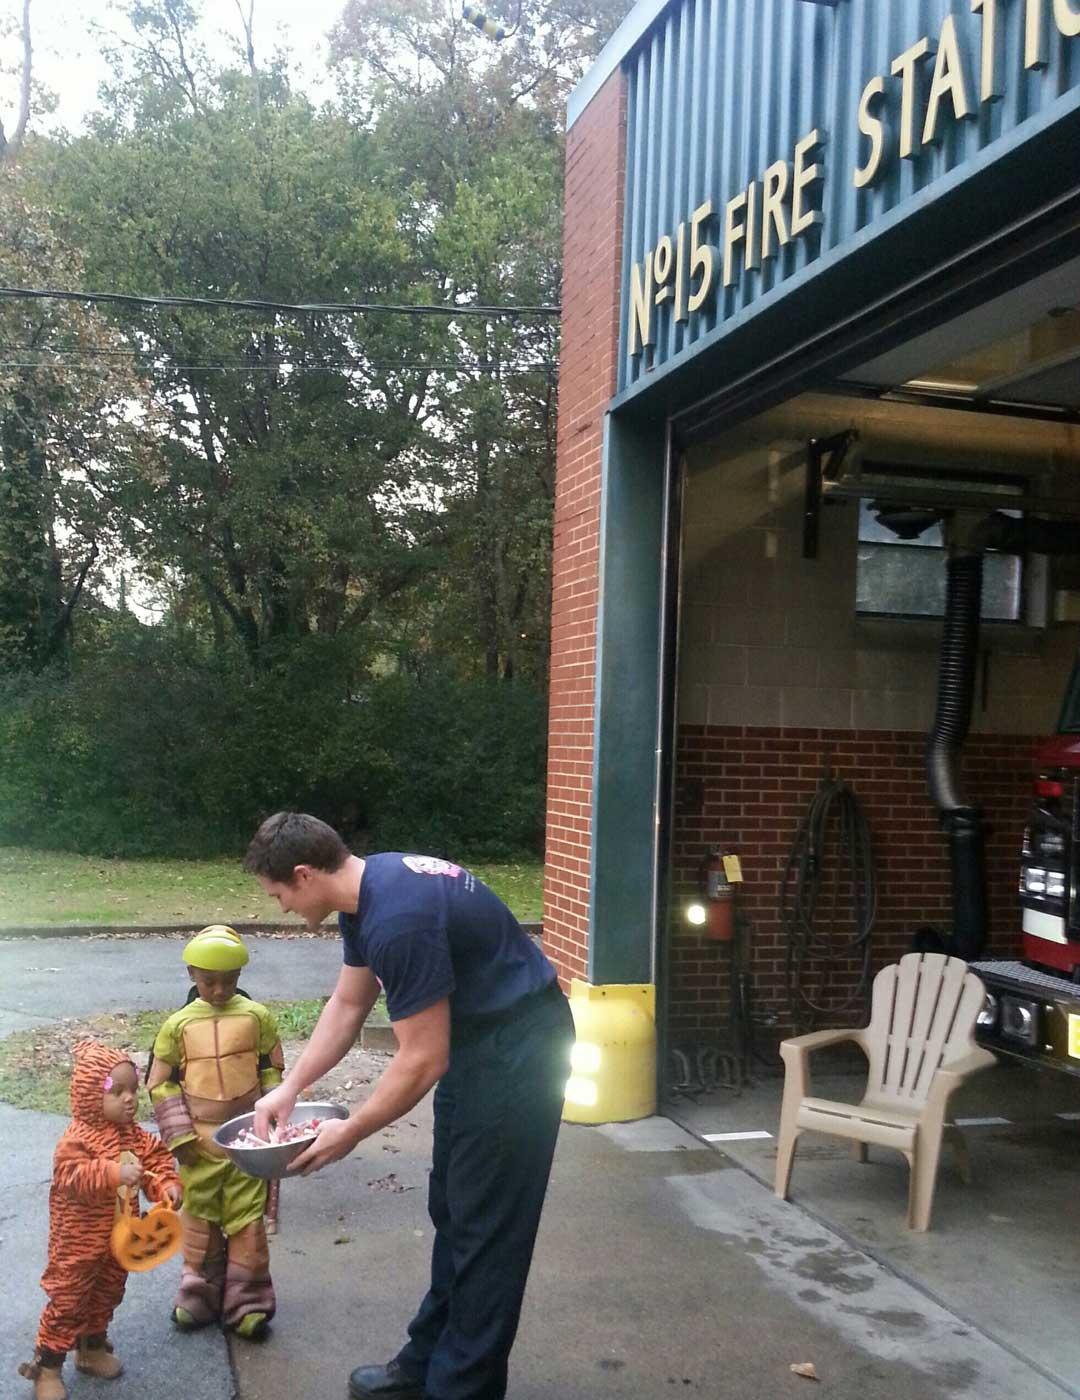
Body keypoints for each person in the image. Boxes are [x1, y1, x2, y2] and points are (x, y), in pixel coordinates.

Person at [243, 812, 574, 1400]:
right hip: (482, 1042)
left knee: (488, 1230)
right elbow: (348, 1005)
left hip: (520, 1050)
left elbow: (422, 1060)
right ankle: (427, 1363)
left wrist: (351, 1130)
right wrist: (289, 1088)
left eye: (278, 896)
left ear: (303, 874)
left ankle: (460, 1387)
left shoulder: (398, 920)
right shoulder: (367, 892)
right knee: (453, 1205)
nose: (281, 909)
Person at [18, 1039, 183, 1400]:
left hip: (120, 1238)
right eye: (117, 1091)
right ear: (92, 1095)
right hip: (77, 1243)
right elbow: (71, 1176)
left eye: (133, 1090)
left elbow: (156, 1161)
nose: (129, 1099)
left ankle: (91, 1349)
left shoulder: (135, 1136)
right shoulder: (77, 1139)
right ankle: (47, 1366)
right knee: (69, 1300)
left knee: (107, 1293)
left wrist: (167, 1186)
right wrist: (112, 1173)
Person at [147, 925, 284, 1339]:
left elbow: (271, 1070)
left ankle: (248, 1301)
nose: (220, 989)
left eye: (229, 980)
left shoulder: (258, 1017)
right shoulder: (176, 1025)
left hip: (248, 1138)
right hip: (198, 1142)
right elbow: (160, 1082)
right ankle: (198, 1292)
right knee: (200, 1219)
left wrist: (276, 1120)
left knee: (248, 1223)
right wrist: (180, 1137)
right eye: (210, 980)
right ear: (192, 974)